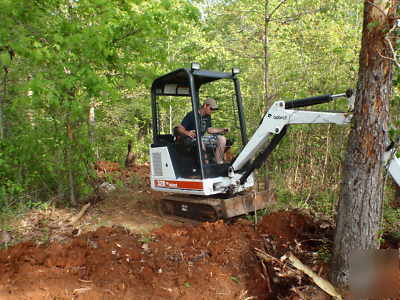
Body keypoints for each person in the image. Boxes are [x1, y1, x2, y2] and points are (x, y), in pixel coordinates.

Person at [175, 98, 229, 164]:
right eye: (211, 108)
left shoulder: (208, 116)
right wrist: (187, 132)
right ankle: (205, 165)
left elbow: (209, 130)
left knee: (222, 139)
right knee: (200, 141)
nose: (212, 111)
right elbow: (179, 128)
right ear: (205, 106)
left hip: (201, 138)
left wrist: (222, 130)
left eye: (214, 109)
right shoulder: (192, 115)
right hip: (191, 139)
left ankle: (218, 162)